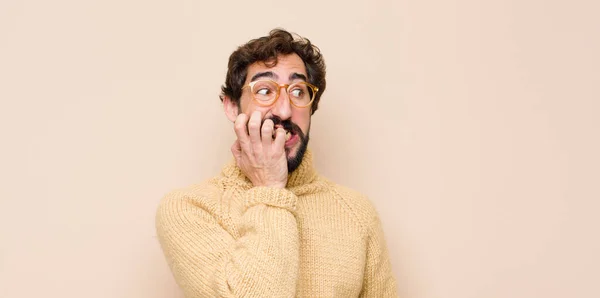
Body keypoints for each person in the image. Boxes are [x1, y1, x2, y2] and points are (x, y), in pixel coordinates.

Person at [155, 28, 398, 297]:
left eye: (298, 91)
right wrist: (270, 187)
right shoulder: (189, 208)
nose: (284, 110)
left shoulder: (357, 213)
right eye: (264, 90)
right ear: (233, 107)